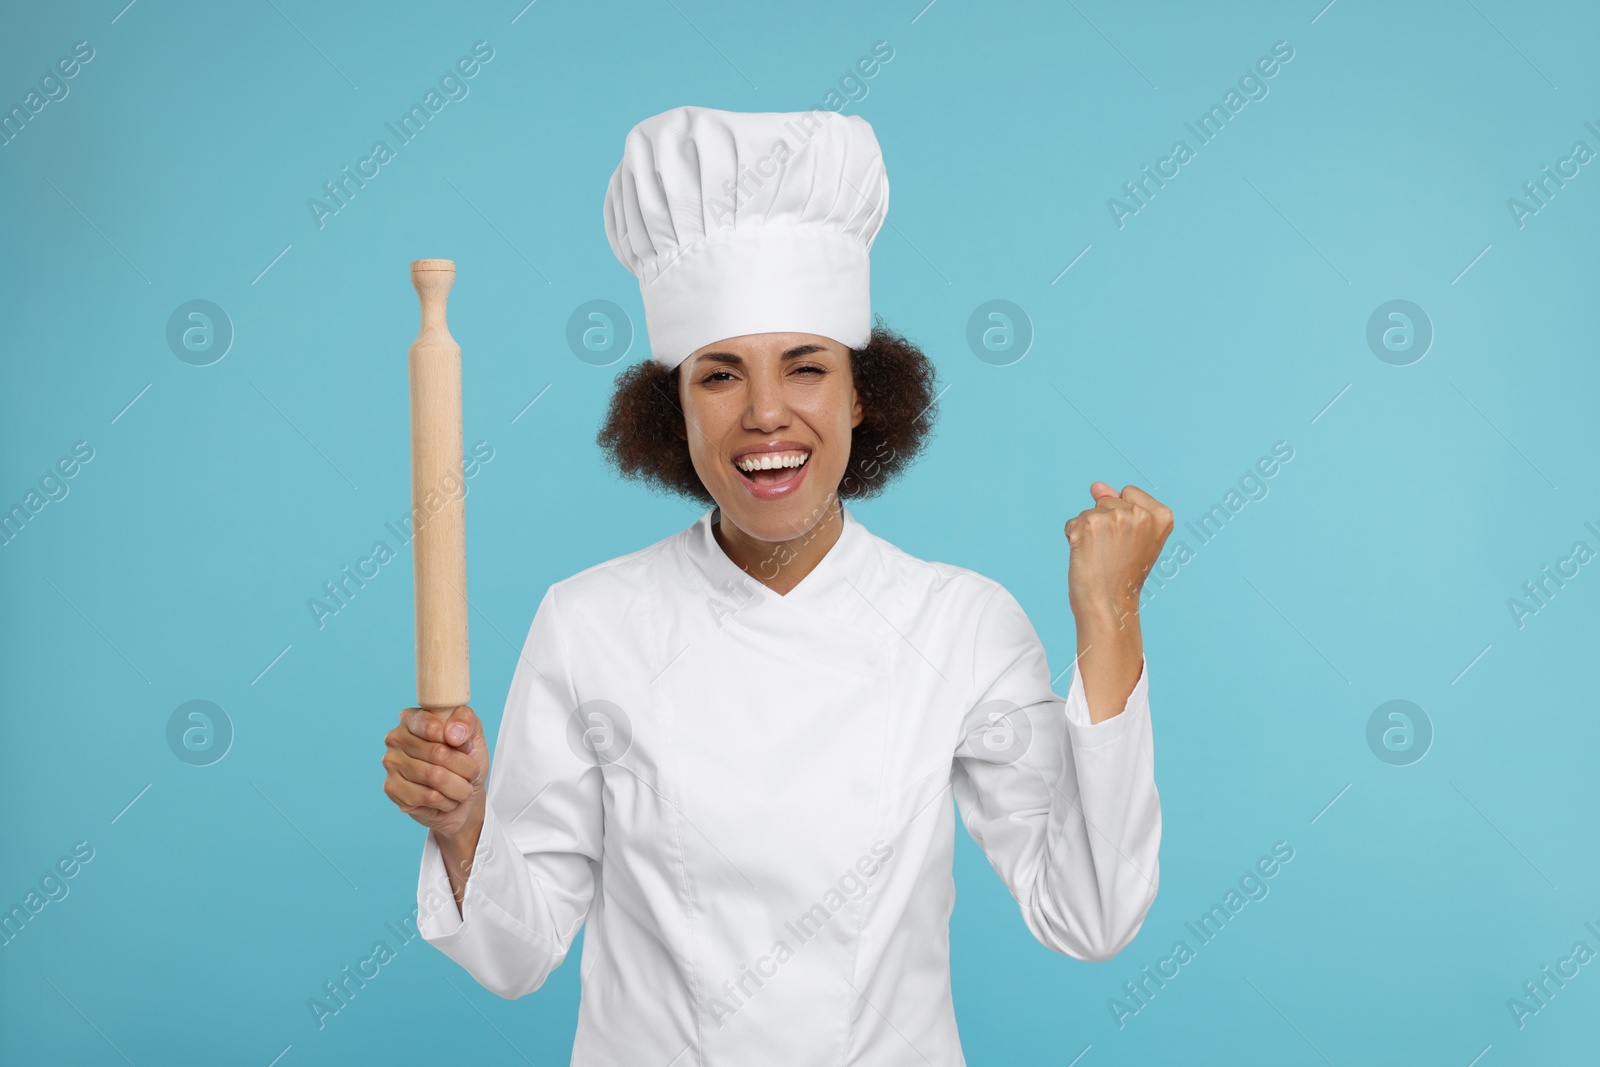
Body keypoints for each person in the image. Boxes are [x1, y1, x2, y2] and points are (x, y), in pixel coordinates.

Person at [382, 104, 1172, 1064]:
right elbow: (514, 950)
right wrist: (465, 824)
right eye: (718, 375)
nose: (765, 415)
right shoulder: (589, 621)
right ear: (670, 410)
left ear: (861, 392)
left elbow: (1091, 913)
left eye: (806, 368)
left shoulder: (960, 624)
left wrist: (1109, 617)